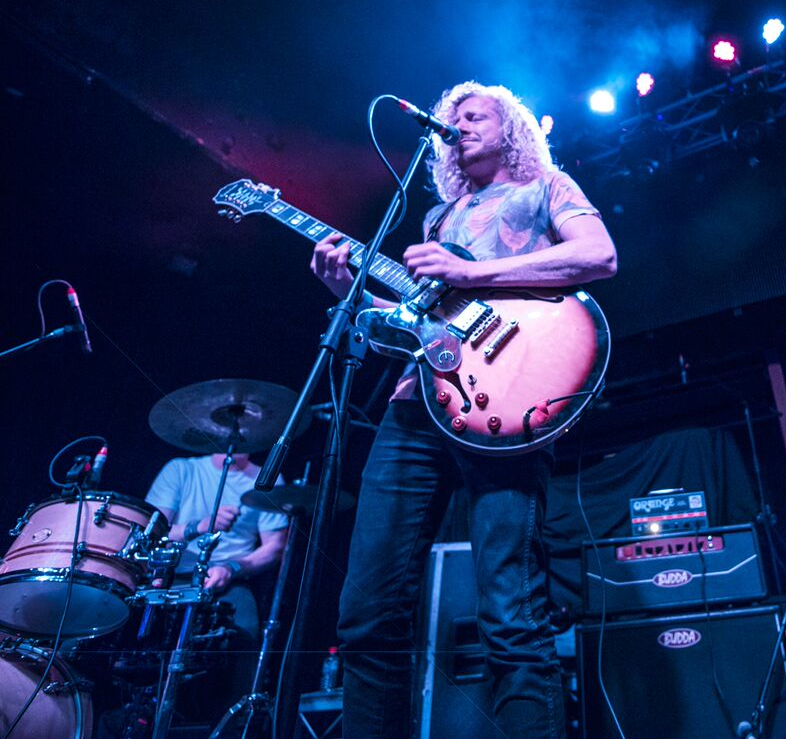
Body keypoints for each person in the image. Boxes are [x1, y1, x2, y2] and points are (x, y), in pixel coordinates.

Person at [310, 81, 617, 738]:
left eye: (475, 115)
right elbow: (415, 325)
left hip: (508, 403)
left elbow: (599, 255)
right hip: (415, 404)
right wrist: (349, 293)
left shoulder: (547, 186)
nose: (459, 124)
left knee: (510, 612)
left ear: (511, 128)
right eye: (453, 118)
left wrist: (471, 274)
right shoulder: (436, 220)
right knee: (366, 612)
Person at [144, 451, 289, 704]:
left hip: (230, 578)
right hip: (172, 573)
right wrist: (199, 527)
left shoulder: (269, 478)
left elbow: (275, 547)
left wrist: (230, 568)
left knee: (245, 633)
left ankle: (233, 717)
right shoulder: (181, 469)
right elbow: (151, 532)